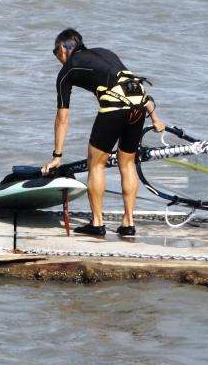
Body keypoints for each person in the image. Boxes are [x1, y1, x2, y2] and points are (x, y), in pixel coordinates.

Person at [41, 29, 165, 237]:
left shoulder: (67, 70)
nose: (57, 58)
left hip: (115, 108)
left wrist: (57, 156)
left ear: (64, 48)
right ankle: (128, 224)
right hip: (140, 106)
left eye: (56, 52)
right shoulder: (105, 53)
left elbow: (62, 118)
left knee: (96, 164)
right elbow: (132, 85)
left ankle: (97, 223)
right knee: (127, 164)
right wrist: (155, 117)